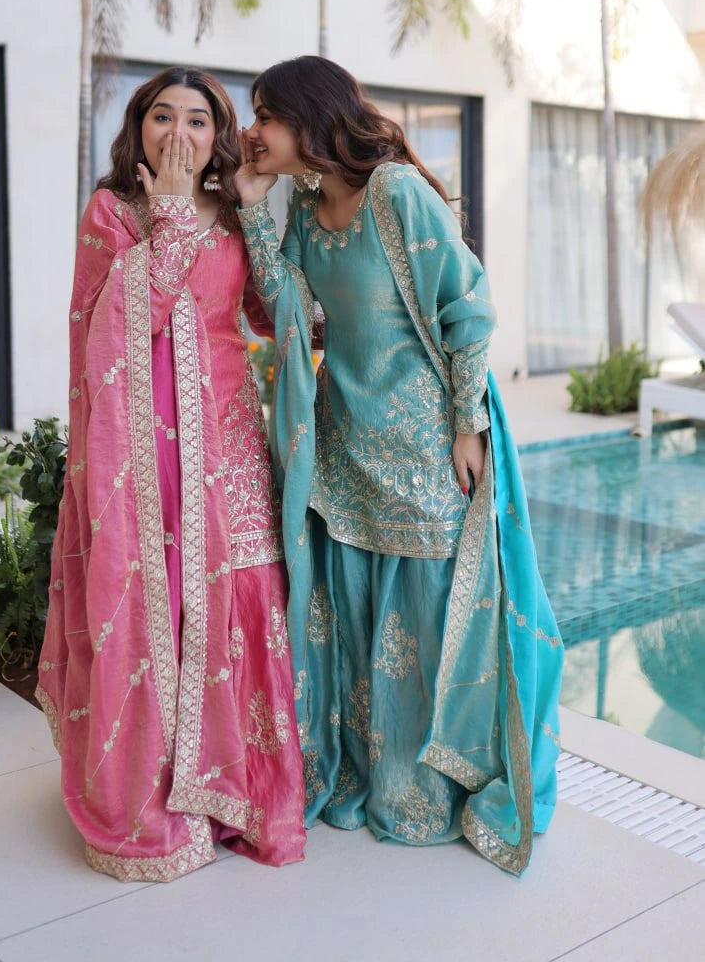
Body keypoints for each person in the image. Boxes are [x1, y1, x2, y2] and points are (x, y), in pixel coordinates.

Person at [234, 54, 563, 876]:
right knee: (360, 619)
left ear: (309, 119)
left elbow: (468, 307)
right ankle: (373, 773)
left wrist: (463, 425)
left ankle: (426, 790)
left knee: (421, 625)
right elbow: (283, 308)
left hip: (421, 451)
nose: (252, 131)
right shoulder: (305, 209)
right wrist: (248, 210)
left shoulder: (396, 194)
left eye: (265, 114)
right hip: (345, 451)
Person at [37, 68, 305, 883]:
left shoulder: (236, 211)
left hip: (224, 446)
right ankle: (155, 801)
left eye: (198, 118)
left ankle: (244, 794)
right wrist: (170, 215)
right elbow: (112, 331)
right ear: (139, 127)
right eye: (163, 116)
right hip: (141, 463)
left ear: (219, 132)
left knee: (241, 599)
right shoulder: (112, 210)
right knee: (157, 608)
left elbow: (273, 313)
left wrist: (252, 201)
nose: (179, 133)